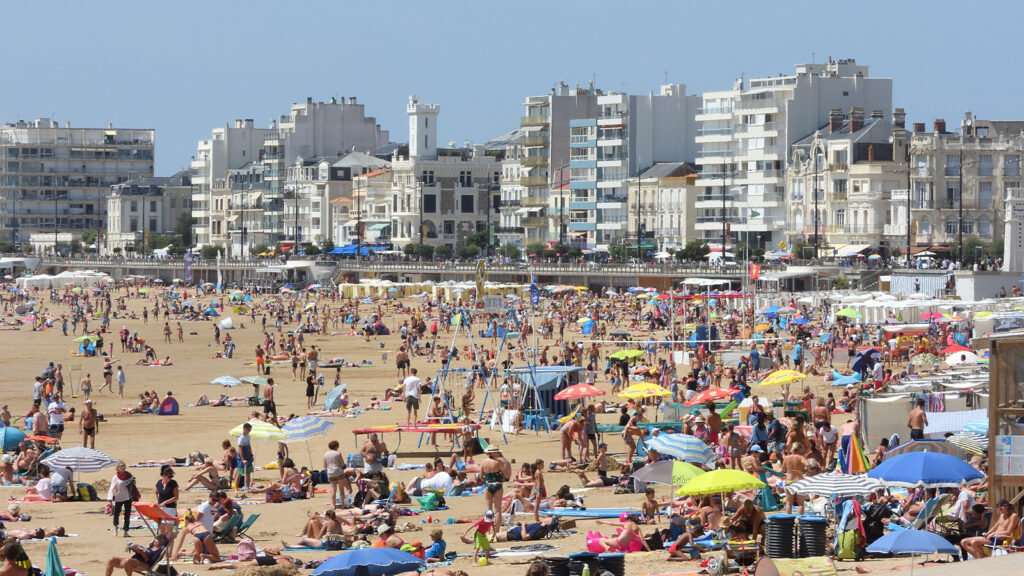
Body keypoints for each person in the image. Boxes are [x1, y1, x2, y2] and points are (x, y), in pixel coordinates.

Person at [480, 445, 511, 539]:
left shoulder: (483, 462)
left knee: (488, 509)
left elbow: (481, 477)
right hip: (497, 485)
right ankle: (496, 531)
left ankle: (488, 530)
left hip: (488, 485)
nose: (498, 453)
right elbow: (506, 476)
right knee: (498, 510)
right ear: (493, 453)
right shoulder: (498, 463)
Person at [104, 535, 168, 576]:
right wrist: (135, 548)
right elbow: (141, 552)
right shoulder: (149, 548)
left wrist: (142, 553)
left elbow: (150, 562)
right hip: (133, 561)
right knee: (112, 559)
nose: (155, 540)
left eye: (157, 539)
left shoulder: (158, 551)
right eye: (155, 538)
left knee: (128, 561)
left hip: (144, 564)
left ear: (162, 542)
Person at [323, 440, 349, 507]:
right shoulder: (338, 453)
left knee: (333, 490)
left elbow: (325, 466)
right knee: (341, 489)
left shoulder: (326, 454)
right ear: (336, 446)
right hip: (338, 471)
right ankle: (342, 504)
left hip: (330, 473)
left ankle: (333, 505)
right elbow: (342, 464)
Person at [154, 466, 179, 535]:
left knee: (169, 530)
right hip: (161, 508)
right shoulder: (159, 483)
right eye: (168, 476)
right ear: (163, 475)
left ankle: (169, 544)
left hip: (170, 508)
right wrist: (156, 501)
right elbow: (156, 493)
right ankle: (162, 544)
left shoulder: (173, 483)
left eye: (170, 477)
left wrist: (165, 502)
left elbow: (176, 497)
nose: (169, 478)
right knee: (161, 529)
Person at [237, 423, 255, 490]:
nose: (249, 431)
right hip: (242, 457)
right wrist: (243, 459)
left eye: (250, 430)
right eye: (249, 429)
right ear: (244, 428)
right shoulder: (241, 438)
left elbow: (249, 446)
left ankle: (247, 487)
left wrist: (251, 455)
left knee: (248, 473)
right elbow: (240, 449)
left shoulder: (248, 436)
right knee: (239, 473)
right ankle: (236, 488)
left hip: (248, 456)